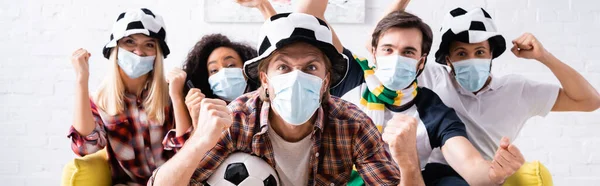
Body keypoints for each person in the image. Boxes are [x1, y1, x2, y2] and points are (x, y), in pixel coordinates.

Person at [148, 12, 430, 186]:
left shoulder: (352, 123)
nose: (297, 77)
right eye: (283, 67)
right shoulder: (235, 119)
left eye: (311, 68)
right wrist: (199, 140)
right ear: (266, 79)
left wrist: (408, 163)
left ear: (326, 81)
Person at [341, 2, 524, 185]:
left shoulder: (432, 110)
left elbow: (471, 165)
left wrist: (494, 174)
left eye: (408, 52)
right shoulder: (353, 77)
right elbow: (312, 21)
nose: (396, 59)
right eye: (388, 49)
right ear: (373, 53)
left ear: (421, 62)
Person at [418, 6, 600, 179]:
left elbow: (589, 101)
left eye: (480, 52)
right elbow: (389, 45)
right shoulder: (433, 79)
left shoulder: (516, 90)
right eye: (462, 54)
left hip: (490, 176)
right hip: (439, 176)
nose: (472, 60)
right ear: (449, 60)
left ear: (491, 55)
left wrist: (544, 56)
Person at [67, 8, 191, 185]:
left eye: (149, 45)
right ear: (116, 48)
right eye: (130, 42)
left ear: (157, 54)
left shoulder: (171, 92)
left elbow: (187, 150)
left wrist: (177, 97)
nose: (138, 52)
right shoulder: (101, 101)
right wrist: (81, 80)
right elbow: (85, 148)